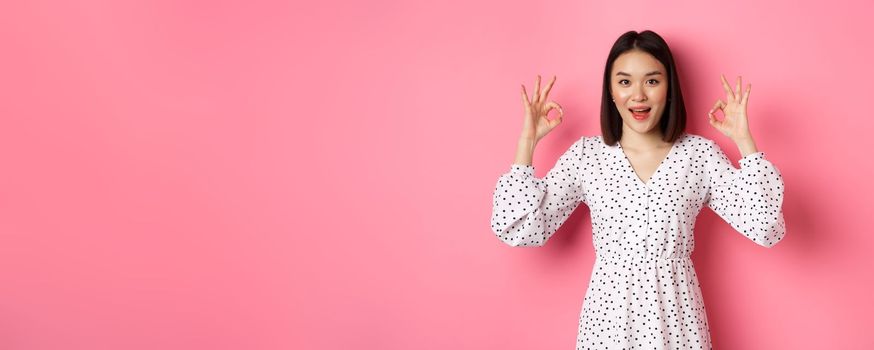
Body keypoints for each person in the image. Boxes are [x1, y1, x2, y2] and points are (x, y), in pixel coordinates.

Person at [489, 30, 786, 349]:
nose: (638, 95)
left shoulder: (698, 155)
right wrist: (527, 142)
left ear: (669, 88)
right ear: (611, 91)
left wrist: (745, 141)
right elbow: (518, 228)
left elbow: (765, 226)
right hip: (608, 325)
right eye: (625, 81)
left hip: (678, 323)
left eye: (652, 81)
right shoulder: (588, 156)